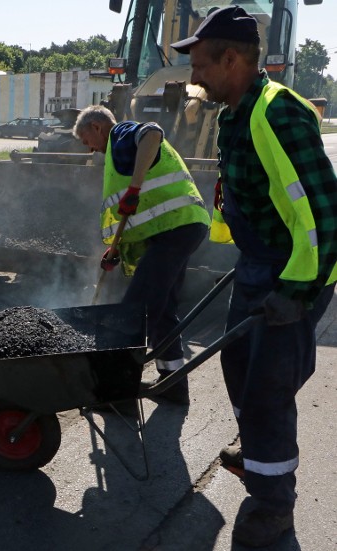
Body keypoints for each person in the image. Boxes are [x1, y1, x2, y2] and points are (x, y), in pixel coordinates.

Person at [171, 6, 337, 547]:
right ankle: (258, 449)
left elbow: (326, 214)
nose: (193, 77)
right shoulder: (233, 114)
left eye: (200, 64)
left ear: (233, 58)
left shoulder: (278, 112)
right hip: (258, 265)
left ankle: (273, 506)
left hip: (291, 274)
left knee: (268, 390)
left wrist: (296, 291)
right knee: (239, 366)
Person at [73, 105, 210, 405]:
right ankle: (172, 384)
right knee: (161, 311)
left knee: (135, 312)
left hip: (176, 229)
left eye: (87, 141)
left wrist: (133, 189)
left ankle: (118, 396)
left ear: (97, 127)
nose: (90, 149)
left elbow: (152, 133)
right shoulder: (115, 153)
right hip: (179, 229)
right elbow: (139, 218)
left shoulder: (120, 135)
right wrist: (117, 249)